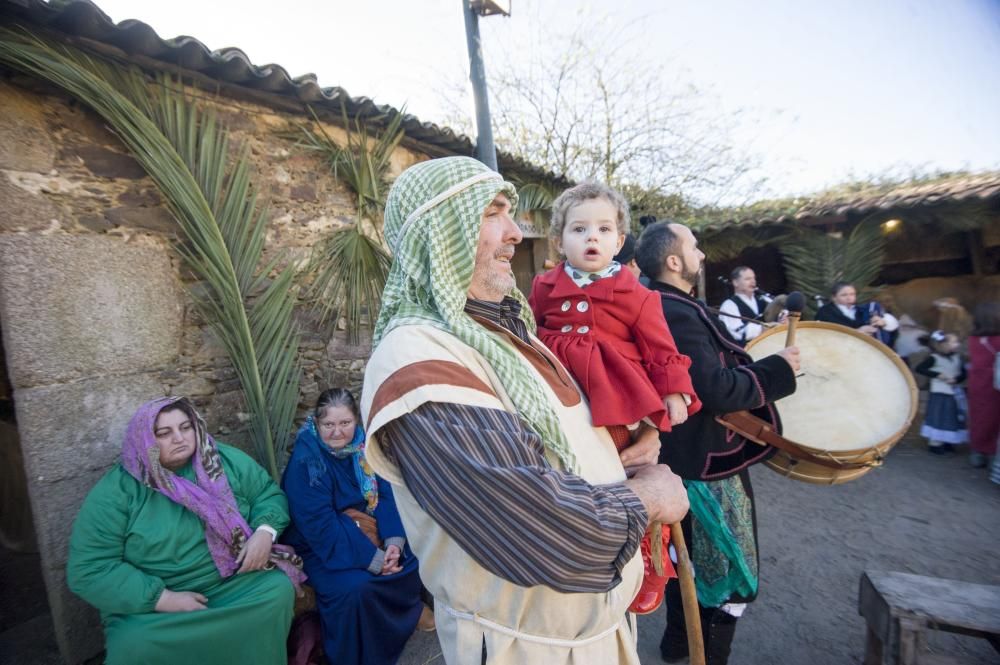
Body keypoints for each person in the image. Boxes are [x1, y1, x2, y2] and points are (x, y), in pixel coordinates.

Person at [358, 156, 690, 664]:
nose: (516, 232)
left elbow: (561, 439)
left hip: (597, 636)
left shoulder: (509, 332)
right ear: (439, 232)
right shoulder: (418, 358)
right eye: (493, 213)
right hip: (527, 651)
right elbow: (539, 531)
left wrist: (629, 447)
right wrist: (649, 496)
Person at [528, 182, 701, 615]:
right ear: (559, 239)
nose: (592, 237)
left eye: (604, 230)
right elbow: (527, 335)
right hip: (561, 396)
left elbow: (661, 348)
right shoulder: (544, 287)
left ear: (620, 241)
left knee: (634, 474)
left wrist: (674, 391)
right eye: (579, 229)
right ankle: (584, 553)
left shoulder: (637, 295)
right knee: (575, 475)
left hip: (616, 401)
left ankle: (651, 552)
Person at [635, 221, 800, 665]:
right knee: (726, 577)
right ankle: (706, 656)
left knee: (685, 564)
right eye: (694, 246)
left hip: (689, 462)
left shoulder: (667, 303)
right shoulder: (674, 311)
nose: (702, 255)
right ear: (674, 261)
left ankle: (676, 646)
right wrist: (780, 370)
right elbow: (715, 389)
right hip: (704, 466)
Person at [67, 397, 304, 665]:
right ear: (145, 440)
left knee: (276, 590)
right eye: (164, 433)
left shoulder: (223, 460)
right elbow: (89, 568)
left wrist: (265, 532)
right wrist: (161, 598)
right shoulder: (118, 492)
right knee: (134, 643)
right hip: (159, 603)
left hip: (233, 582)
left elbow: (267, 494)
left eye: (185, 427)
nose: (179, 438)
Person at [282, 388, 430, 665]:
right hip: (321, 546)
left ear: (356, 423)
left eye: (345, 423)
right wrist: (374, 559)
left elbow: (386, 494)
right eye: (328, 424)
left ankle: (409, 616)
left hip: (368, 530)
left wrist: (393, 544)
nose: (337, 432)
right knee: (355, 588)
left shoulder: (365, 449)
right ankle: (361, 654)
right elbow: (319, 525)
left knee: (410, 560)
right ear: (316, 424)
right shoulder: (308, 462)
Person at [915, 330, 969, 455]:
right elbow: (920, 368)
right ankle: (936, 442)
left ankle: (949, 440)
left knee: (952, 417)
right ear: (943, 344)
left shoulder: (957, 357)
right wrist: (938, 375)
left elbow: (963, 373)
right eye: (954, 342)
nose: (957, 344)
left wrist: (956, 379)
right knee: (938, 416)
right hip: (940, 392)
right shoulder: (934, 358)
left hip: (954, 392)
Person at [968, 303, 1000, 469]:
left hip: (976, 381)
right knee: (994, 419)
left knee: (978, 416)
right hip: (994, 383)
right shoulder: (997, 340)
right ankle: (992, 452)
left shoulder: (973, 339)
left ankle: (977, 451)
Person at [815, 281, 899, 342]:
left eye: (852, 294)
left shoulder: (862, 310)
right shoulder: (825, 312)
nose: (849, 298)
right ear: (834, 297)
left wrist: (883, 322)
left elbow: (894, 325)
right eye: (844, 295)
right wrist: (856, 332)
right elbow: (823, 334)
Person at [718, 266, 769, 346]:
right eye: (748, 279)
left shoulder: (764, 300)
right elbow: (735, 333)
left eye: (753, 278)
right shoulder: (729, 305)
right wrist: (762, 329)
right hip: (746, 353)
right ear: (735, 282)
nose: (753, 282)